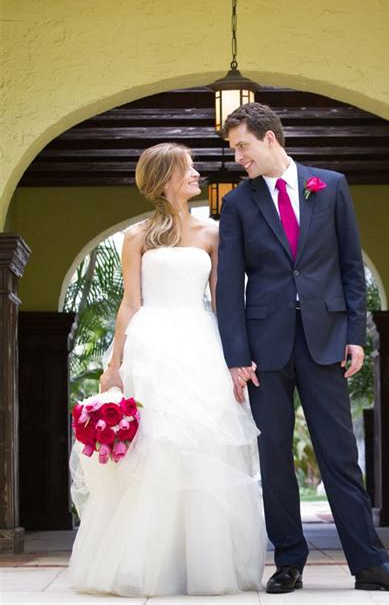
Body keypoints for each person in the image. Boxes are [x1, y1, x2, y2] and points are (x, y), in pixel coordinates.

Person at [216, 102, 389, 595]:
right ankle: (289, 561)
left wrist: (355, 333)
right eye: (233, 150)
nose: (238, 158)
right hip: (263, 350)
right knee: (273, 455)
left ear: (270, 139)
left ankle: (371, 564)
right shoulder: (239, 203)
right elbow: (229, 286)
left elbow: (351, 267)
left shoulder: (329, 186)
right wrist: (236, 357)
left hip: (326, 340)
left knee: (339, 456)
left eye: (242, 146)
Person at [68, 142, 266, 597]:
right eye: (189, 169)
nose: (198, 174)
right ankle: (146, 564)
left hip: (200, 343)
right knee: (155, 447)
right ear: (166, 180)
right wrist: (113, 365)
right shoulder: (137, 237)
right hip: (152, 346)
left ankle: (204, 564)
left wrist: (237, 357)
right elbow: (130, 303)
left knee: (203, 447)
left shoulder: (212, 235)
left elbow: (223, 303)